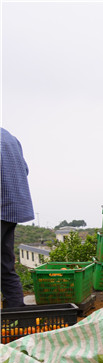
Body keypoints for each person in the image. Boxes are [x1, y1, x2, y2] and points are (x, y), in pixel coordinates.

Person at [1, 127, 35, 308]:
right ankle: (16, 315)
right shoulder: (9, 138)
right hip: (11, 210)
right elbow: (24, 169)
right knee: (5, 264)